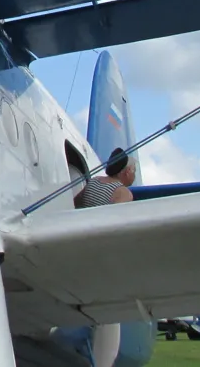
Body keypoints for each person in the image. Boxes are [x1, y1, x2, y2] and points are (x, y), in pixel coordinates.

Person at [79, 148, 136, 366]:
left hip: (81, 250)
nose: (135, 175)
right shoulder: (123, 193)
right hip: (101, 258)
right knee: (110, 315)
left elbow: (75, 204)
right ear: (126, 172)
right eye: (134, 170)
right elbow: (116, 226)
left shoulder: (92, 183)